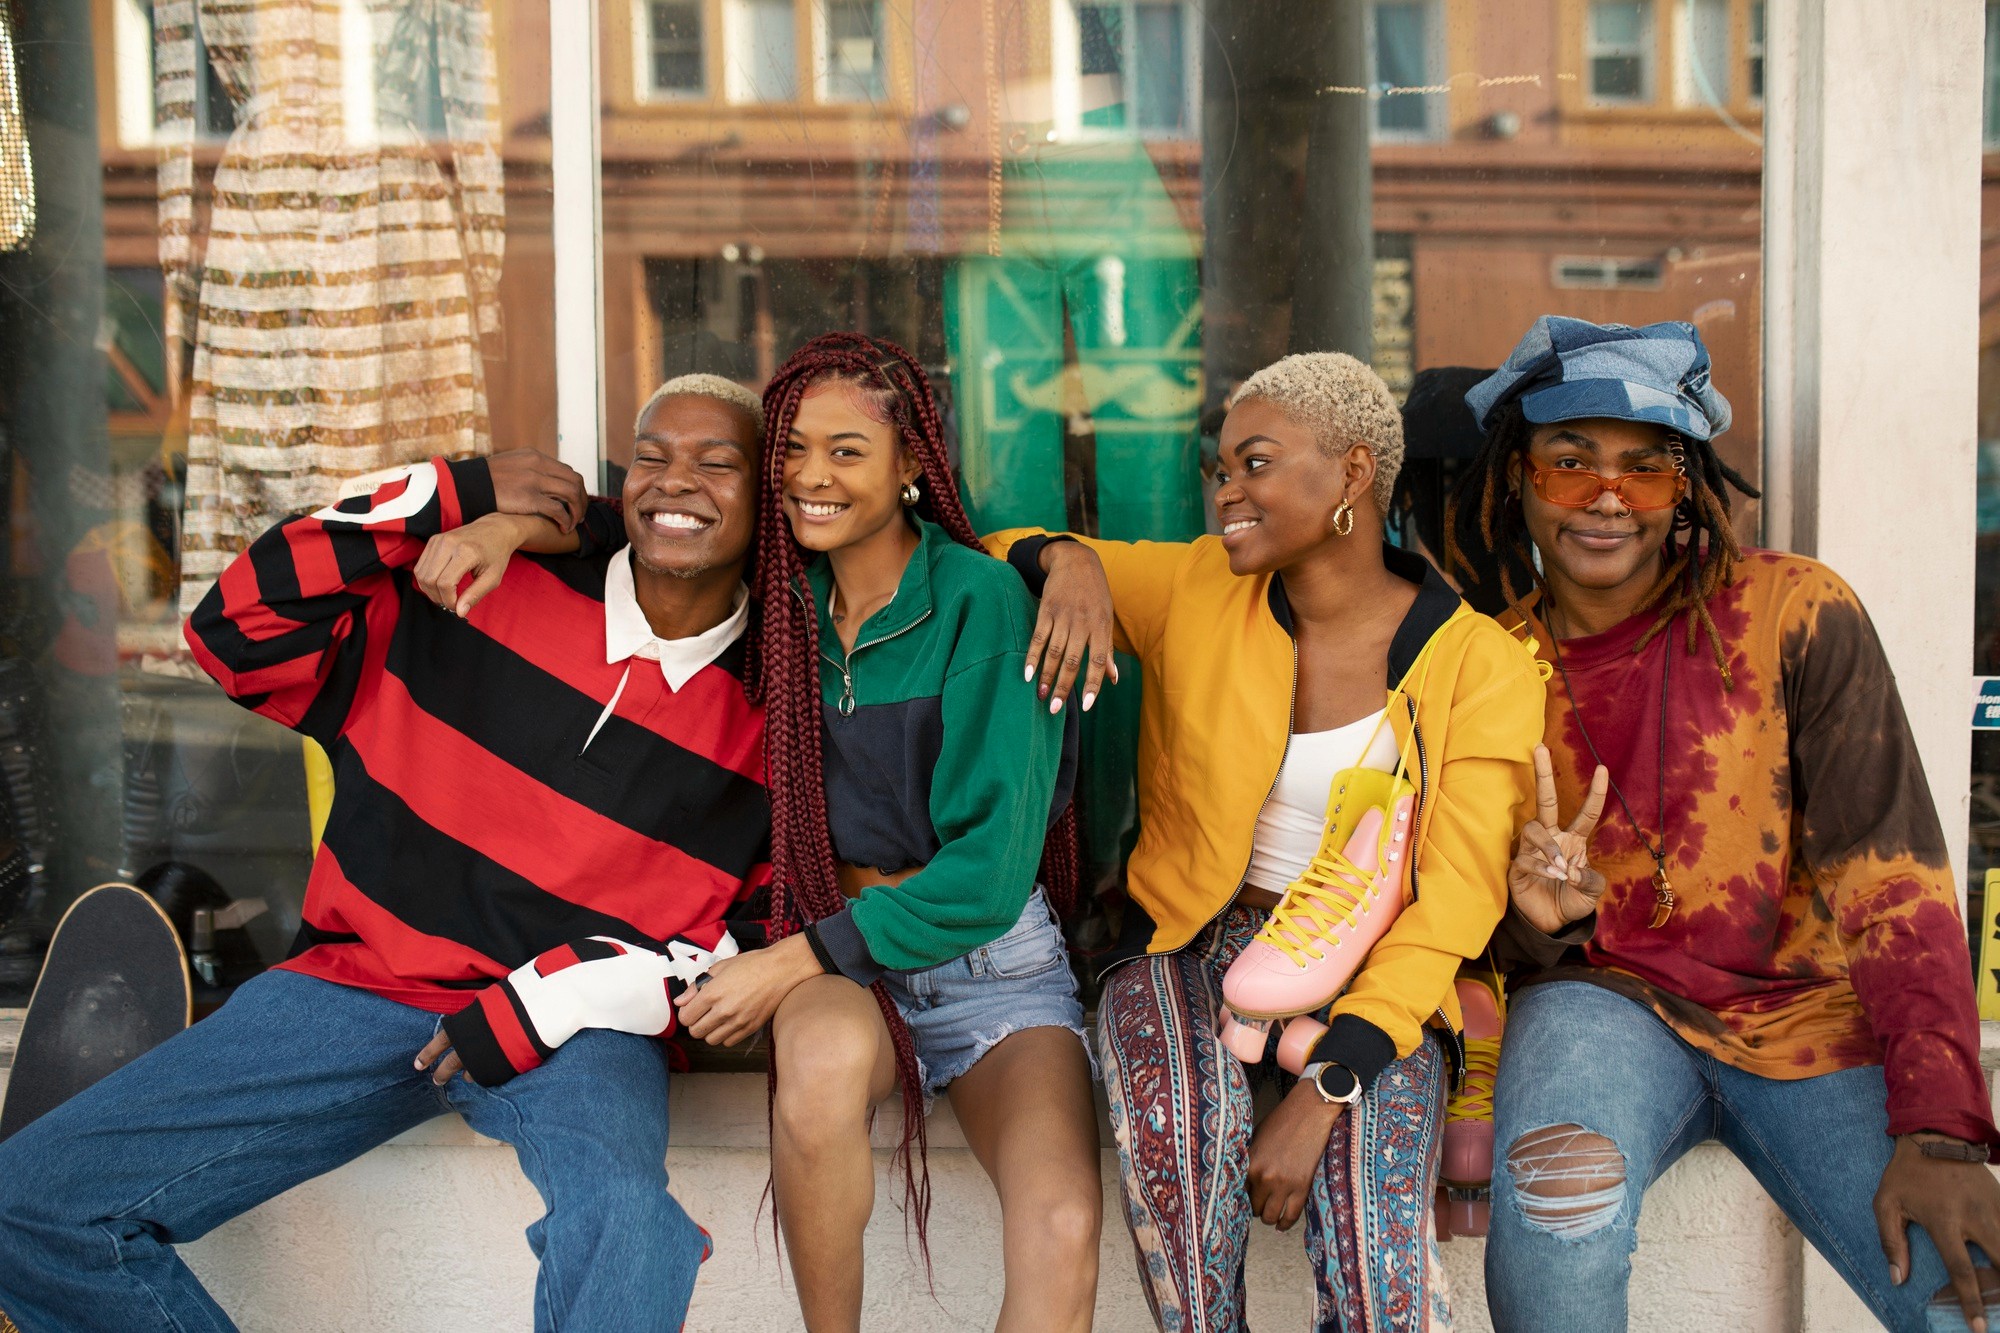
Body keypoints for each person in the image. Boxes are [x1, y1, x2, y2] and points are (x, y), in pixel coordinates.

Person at [0, 377, 770, 1332]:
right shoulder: (477, 580)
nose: (676, 480)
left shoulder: (786, 697)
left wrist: (557, 996)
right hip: (364, 982)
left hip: (576, 1023)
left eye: (718, 462)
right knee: (30, 1206)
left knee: (629, 1226)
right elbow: (232, 631)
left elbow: (758, 942)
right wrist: (459, 494)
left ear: (765, 499)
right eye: (653, 455)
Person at [461, 334, 1104, 1333]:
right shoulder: (775, 604)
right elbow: (660, 528)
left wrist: (1062, 558)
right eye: (793, 450)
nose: (810, 474)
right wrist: (503, 530)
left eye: (846, 452)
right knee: (812, 1069)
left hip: (991, 971)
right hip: (845, 970)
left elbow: (984, 876)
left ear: (909, 471)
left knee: (1060, 1219)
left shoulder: (980, 603)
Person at [1451, 316, 2000, 1333]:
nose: (1605, 496)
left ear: (1686, 488)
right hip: (1599, 1002)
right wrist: (1536, 923)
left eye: (1645, 468)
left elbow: (1892, 876)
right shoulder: (1483, 666)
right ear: (1514, 479)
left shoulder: (1789, 609)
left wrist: (1942, 1128)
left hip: (1811, 1010)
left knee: (1972, 1295)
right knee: (1555, 1207)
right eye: (1568, 463)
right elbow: (1456, 921)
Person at [986, 352, 1547, 1331]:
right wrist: (1063, 559)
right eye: (1217, 468)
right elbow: (985, 544)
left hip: (1378, 964)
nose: (1223, 491)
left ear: (1351, 473)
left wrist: (1327, 1085)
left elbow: (1454, 899)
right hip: (1195, 939)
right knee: (1180, 1142)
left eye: (1253, 463)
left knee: (1380, 1269)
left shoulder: (1480, 665)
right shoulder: (1196, 589)